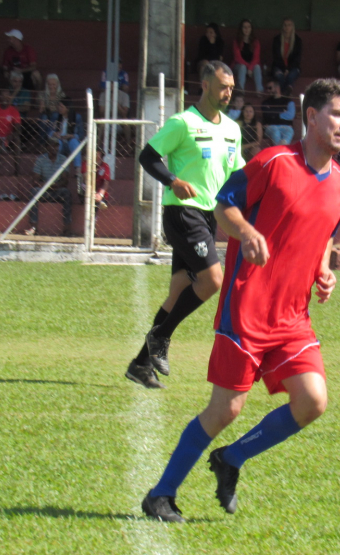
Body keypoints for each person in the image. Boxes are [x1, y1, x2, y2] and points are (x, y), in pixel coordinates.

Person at [140, 78, 340, 523]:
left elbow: (325, 237)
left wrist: (324, 269)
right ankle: (160, 495)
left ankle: (231, 459)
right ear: (311, 117)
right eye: (336, 114)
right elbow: (223, 206)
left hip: (293, 317)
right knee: (226, 409)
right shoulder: (273, 162)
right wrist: (247, 231)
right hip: (246, 308)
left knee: (312, 401)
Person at [126, 61, 245, 389]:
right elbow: (148, 156)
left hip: (209, 215)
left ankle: (140, 364)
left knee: (178, 292)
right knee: (213, 280)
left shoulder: (233, 130)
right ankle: (160, 339)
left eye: (231, 88)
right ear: (205, 85)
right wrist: (173, 180)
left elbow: (238, 175)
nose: (228, 93)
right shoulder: (183, 123)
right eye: (223, 86)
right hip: (182, 211)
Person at [25, 140, 73, 236]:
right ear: (47, 147)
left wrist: (57, 185)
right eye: (52, 146)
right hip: (43, 190)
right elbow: (35, 180)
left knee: (67, 193)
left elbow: (65, 180)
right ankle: (33, 227)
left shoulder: (63, 159)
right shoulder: (41, 159)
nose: (54, 148)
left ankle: (67, 228)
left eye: (56, 146)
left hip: (58, 189)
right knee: (34, 191)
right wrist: (45, 185)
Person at [45, 102, 84, 169]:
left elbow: (81, 135)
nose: (59, 108)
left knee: (74, 142)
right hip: (60, 141)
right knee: (56, 143)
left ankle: (78, 170)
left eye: (62, 107)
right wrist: (54, 133)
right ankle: (56, 168)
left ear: (67, 108)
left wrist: (71, 135)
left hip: (70, 142)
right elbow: (48, 131)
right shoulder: (56, 116)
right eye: (59, 106)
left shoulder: (77, 117)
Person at [271, 18, 302, 95]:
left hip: (293, 67)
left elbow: (297, 58)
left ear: (292, 27)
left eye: (289, 25)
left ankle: (284, 95)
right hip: (278, 66)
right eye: (285, 25)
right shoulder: (277, 40)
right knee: (280, 77)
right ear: (282, 27)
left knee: (290, 76)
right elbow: (276, 57)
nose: (287, 27)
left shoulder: (297, 40)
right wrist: (284, 69)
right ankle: (287, 93)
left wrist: (288, 69)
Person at [261, 80, 296, 146]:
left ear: (277, 88)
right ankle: (281, 151)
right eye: (267, 88)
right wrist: (282, 112)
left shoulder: (288, 101)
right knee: (275, 130)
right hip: (271, 127)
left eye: (270, 88)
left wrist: (273, 112)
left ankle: (280, 151)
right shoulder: (265, 102)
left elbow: (291, 115)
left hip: (286, 127)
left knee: (289, 131)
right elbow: (266, 115)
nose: (268, 90)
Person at [233, 19, 263, 93]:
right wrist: (248, 67)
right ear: (241, 29)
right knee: (243, 67)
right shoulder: (236, 41)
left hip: (251, 67)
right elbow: (238, 58)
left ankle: (259, 91)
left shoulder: (255, 42)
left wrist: (250, 67)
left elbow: (256, 58)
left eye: (248, 27)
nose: (246, 29)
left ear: (251, 29)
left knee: (257, 67)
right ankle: (240, 91)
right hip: (239, 66)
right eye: (244, 27)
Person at [38, 73, 68, 140]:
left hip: (57, 115)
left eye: (53, 84)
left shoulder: (61, 95)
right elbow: (41, 109)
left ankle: (49, 137)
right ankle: (42, 141)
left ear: (57, 84)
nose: (51, 86)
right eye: (49, 84)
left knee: (55, 115)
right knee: (44, 118)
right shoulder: (42, 94)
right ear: (47, 84)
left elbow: (62, 109)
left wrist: (51, 108)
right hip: (45, 114)